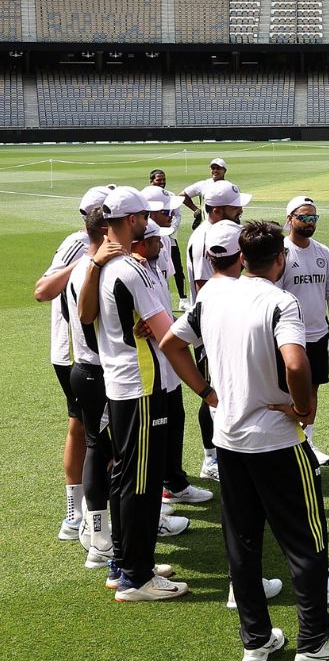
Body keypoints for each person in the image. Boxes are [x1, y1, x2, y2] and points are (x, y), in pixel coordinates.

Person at [163, 221, 329, 661]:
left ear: (242, 255)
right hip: (275, 441)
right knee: (306, 541)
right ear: (280, 259)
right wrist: (304, 407)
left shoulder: (213, 295)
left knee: (242, 541)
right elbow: (295, 363)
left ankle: (256, 641)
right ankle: (315, 642)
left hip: (229, 440)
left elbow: (170, 343)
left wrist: (206, 392)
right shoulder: (280, 301)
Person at [89, 186, 207, 601]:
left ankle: (124, 563)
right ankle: (136, 578)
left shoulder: (106, 266)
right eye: (144, 216)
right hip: (143, 386)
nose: (149, 222)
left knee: (126, 479)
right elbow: (168, 334)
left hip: (128, 384)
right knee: (139, 484)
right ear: (130, 221)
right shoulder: (129, 269)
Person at [33, 184, 113, 541]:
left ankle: (82, 513)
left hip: (86, 352)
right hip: (75, 353)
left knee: (87, 430)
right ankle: (81, 515)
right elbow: (42, 290)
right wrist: (88, 261)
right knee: (91, 433)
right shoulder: (77, 244)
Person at [133, 216, 214, 509]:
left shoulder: (153, 266)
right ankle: (156, 496)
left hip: (167, 364)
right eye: (157, 240)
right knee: (153, 436)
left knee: (174, 422)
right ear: (142, 243)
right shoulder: (133, 272)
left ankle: (175, 483)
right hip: (147, 369)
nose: (163, 243)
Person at [64, 206, 121, 569]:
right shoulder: (95, 269)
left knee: (99, 449)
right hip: (98, 372)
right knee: (102, 453)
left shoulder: (83, 266)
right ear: (105, 229)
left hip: (88, 370)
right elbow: (91, 320)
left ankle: (94, 529)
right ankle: (99, 541)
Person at [185, 179, 252, 481]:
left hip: (219, 324)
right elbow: (204, 289)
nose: (240, 211)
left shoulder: (216, 233)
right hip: (213, 329)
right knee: (215, 393)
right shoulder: (206, 239)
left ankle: (216, 455)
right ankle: (213, 458)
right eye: (236, 207)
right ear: (219, 209)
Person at [279, 196, 329, 466]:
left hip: (318, 333)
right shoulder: (280, 251)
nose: (309, 222)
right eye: (303, 217)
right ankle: (285, 443)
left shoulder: (323, 252)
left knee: (312, 389)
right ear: (290, 218)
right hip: (288, 336)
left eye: (313, 218)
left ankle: (308, 443)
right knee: (285, 389)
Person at [148, 170, 188, 305]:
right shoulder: (145, 197)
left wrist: (169, 231)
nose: (162, 182)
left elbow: (177, 215)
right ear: (151, 181)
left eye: (164, 179)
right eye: (159, 180)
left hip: (169, 237)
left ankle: (182, 298)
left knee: (176, 268)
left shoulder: (170, 196)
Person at [180, 158, 228, 228]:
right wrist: (196, 210)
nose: (215, 171)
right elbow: (182, 196)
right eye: (213, 168)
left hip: (225, 226)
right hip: (207, 227)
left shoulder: (230, 187)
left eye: (218, 168)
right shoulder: (203, 184)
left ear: (224, 170)